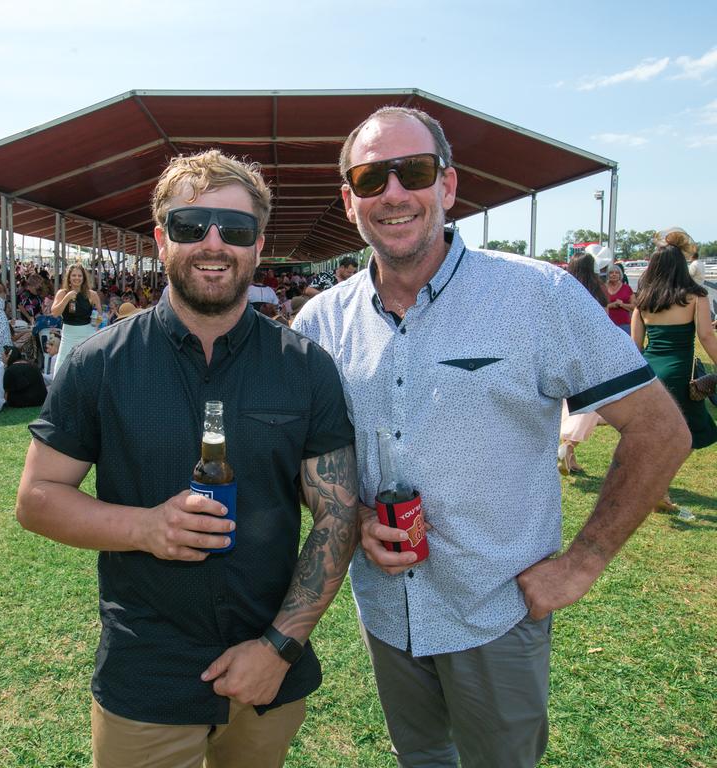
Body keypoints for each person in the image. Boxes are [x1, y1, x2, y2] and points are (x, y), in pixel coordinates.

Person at [294, 106, 690, 768]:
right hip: (388, 616)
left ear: (447, 187)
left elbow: (660, 430)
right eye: (370, 179)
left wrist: (583, 561)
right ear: (349, 200)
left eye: (412, 172)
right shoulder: (319, 323)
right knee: (420, 759)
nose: (392, 193)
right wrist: (356, 516)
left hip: (495, 615)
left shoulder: (536, 296)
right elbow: (306, 460)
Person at [16, 149, 359, 768]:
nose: (213, 242)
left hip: (266, 671)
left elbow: (337, 517)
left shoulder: (304, 367)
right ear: (159, 238)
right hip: (144, 670)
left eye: (236, 229)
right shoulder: (99, 364)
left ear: (257, 247)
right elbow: (37, 498)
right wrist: (144, 528)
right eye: (189, 225)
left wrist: (279, 647)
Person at [631, 228, 717, 520]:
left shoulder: (643, 299)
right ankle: (659, 488)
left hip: (650, 373)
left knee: (659, 434)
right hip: (680, 373)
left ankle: (657, 489)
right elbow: (706, 336)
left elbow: (635, 347)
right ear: (681, 266)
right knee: (694, 432)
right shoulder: (696, 296)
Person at [557, 254, 609, 474]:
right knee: (588, 406)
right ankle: (568, 446)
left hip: (562, 352)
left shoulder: (560, 288)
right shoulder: (597, 292)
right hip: (589, 353)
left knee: (566, 405)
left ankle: (569, 454)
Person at [49, 264, 101, 374]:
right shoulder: (62, 293)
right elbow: (54, 313)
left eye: (79, 275)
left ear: (84, 278)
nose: (77, 278)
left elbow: (100, 316)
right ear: (69, 277)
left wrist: (96, 322)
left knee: (86, 368)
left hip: (87, 334)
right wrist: (67, 298)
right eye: (74, 275)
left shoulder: (92, 294)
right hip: (68, 335)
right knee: (61, 368)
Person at [603, 263, 635, 333]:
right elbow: (598, 306)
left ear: (620, 275)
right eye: (611, 273)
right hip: (607, 324)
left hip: (624, 324)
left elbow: (634, 306)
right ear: (608, 275)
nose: (614, 274)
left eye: (617, 273)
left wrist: (622, 305)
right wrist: (611, 305)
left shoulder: (627, 288)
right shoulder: (603, 288)